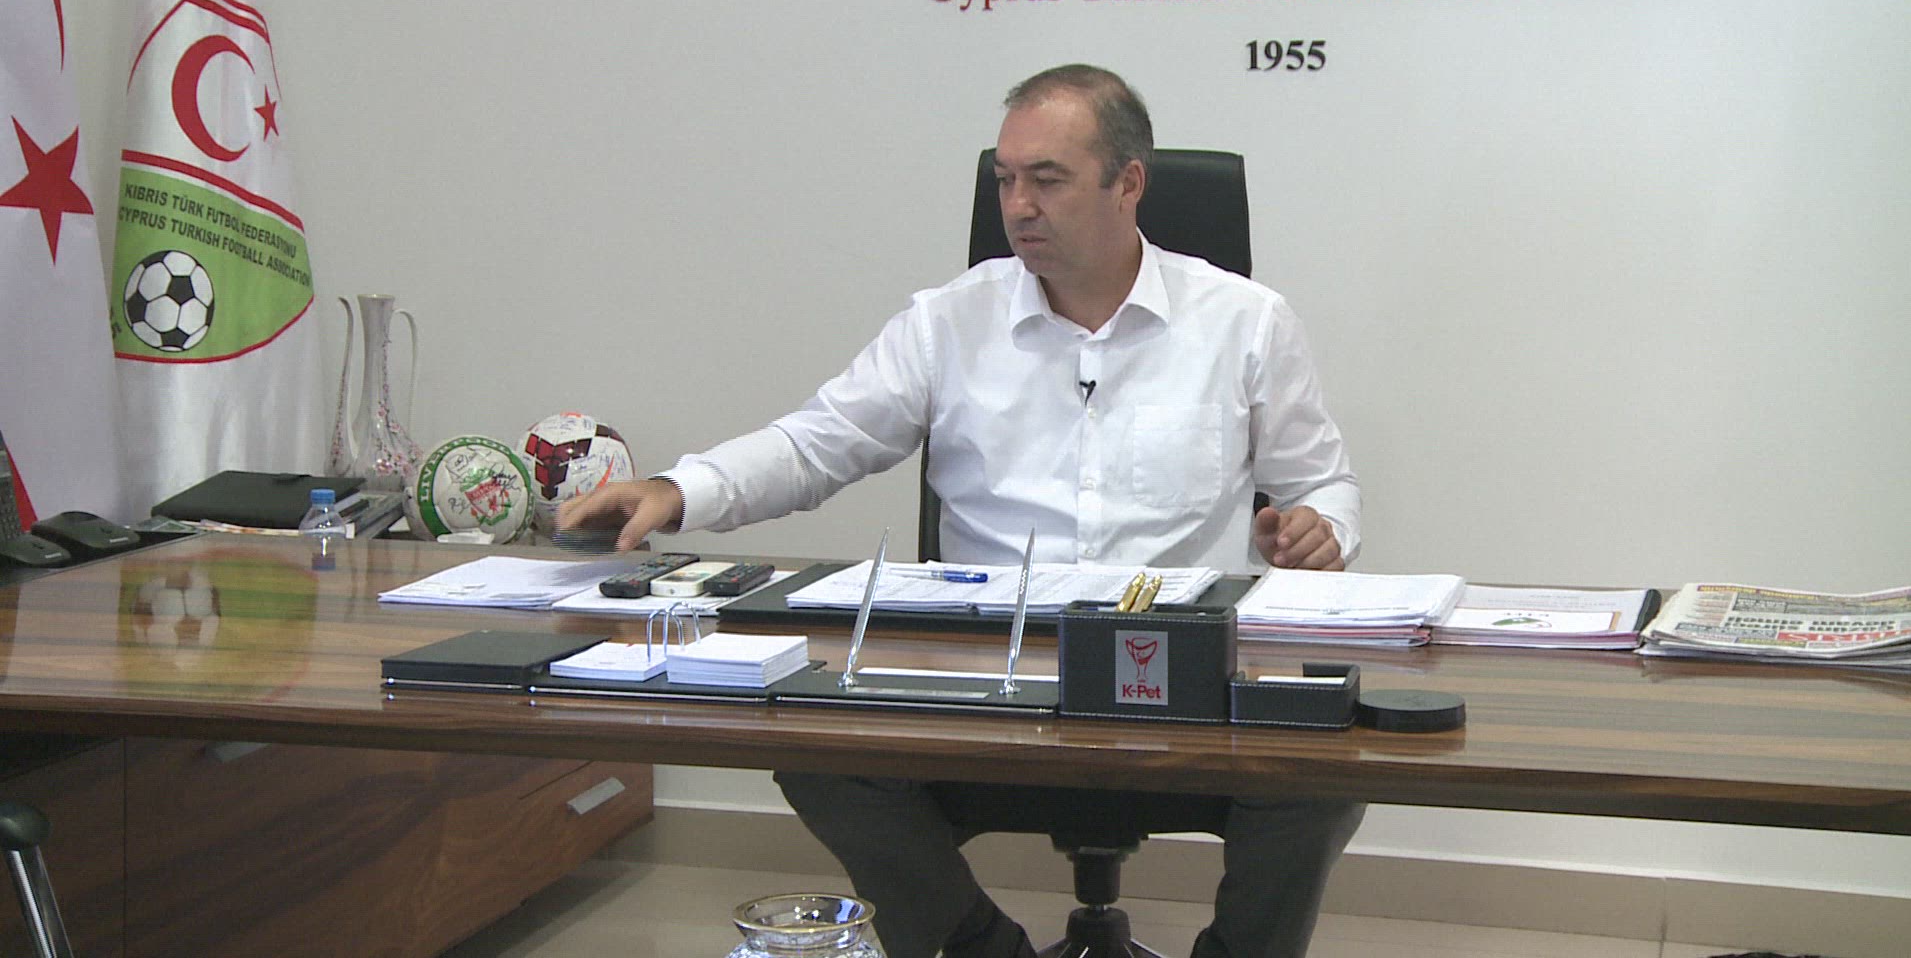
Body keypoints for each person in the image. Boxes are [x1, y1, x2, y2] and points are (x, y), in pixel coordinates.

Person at [560, 64, 1364, 958]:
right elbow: (816, 444)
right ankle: (979, 950)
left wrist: (1319, 529)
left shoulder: (1245, 322)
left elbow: (1323, 486)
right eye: (1006, 180)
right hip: (991, 672)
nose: (1019, 205)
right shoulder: (946, 323)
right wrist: (677, 491)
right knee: (817, 747)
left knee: (1328, 770)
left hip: (1177, 672)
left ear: (1128, 183)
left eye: (1047, 179)